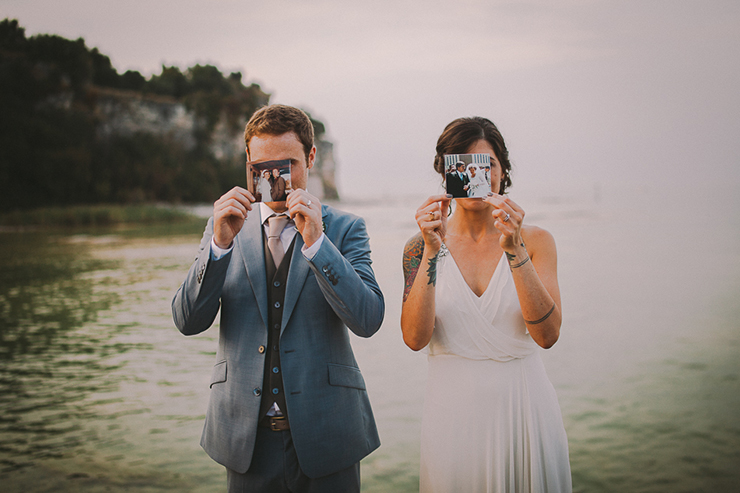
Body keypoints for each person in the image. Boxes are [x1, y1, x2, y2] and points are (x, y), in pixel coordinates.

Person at [172, 104, 385, 492]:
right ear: (248, 162)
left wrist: (318, 243)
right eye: (261, 168)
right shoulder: (221, 227)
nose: (275, 179)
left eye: (287, 165)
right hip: (245, 438)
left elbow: (368, 319)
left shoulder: (346, 228)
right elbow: (187, 320)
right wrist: (219, 246)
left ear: (311, 158)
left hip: (328, 434)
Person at [401, 116, 572, 492]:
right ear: (446, 173)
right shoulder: (420, 246)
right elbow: (414, 338)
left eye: (487, 164)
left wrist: (514, 250)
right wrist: (432, 250)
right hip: (452, 417)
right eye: (461, 164)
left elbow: (547, 335)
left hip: (524, 408)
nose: (475, 174)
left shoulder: (537, 241)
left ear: (502, 171)